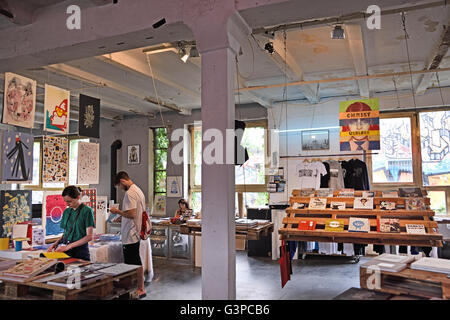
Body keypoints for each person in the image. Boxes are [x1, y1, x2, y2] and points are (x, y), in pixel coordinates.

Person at [109, 171, 146, 298]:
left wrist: (117, 211)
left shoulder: (130, 193)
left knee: (132, 263)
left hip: (131, 234)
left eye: (120, 186)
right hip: (135, 230)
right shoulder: (138, 190)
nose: (120, 188)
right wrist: (122, 217)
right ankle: (139, 287)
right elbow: (133, 213)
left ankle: (137, 289)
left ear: (123, 181)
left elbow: (131, 214)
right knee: (136, 261)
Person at [47, 186, 95, 261]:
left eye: (69, 201)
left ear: (78, 197)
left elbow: (89, 237)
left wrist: (68, 246)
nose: (67, 204)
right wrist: (55, 243)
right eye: (65, 201)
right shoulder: (67, 212)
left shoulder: (87, 211)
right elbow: (66, 232)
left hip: (80, 251)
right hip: (66, 249)